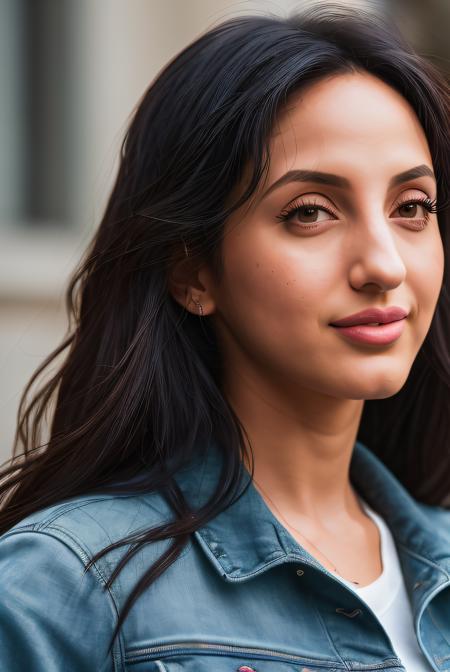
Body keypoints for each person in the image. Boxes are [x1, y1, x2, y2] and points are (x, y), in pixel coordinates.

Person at [0, 3, 449, 671]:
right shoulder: (66, 588)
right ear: (192, 271)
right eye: (310, 213)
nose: (383, 265)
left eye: (411, 207)